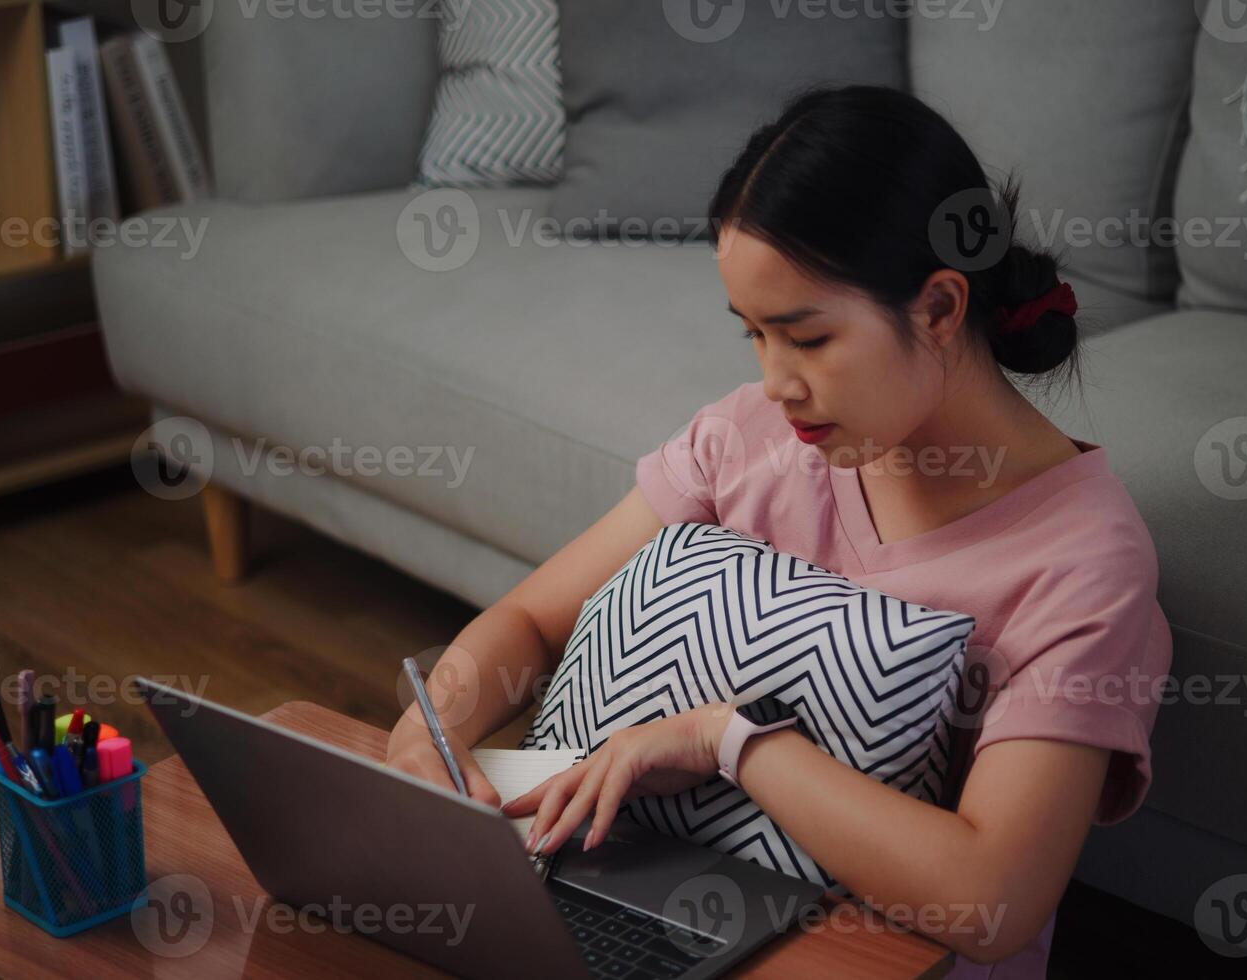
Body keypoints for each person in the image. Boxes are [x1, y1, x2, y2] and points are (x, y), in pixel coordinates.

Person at [385, 84, 1172, 978]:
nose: (775, 384)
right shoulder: (747, 440)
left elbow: (991, 900)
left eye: (806, 338)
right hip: (642, 887)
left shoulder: (1082, 562)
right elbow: (529, 623)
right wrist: (432, 732)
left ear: (941, 309)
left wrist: (728, 743)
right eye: (753, 335)